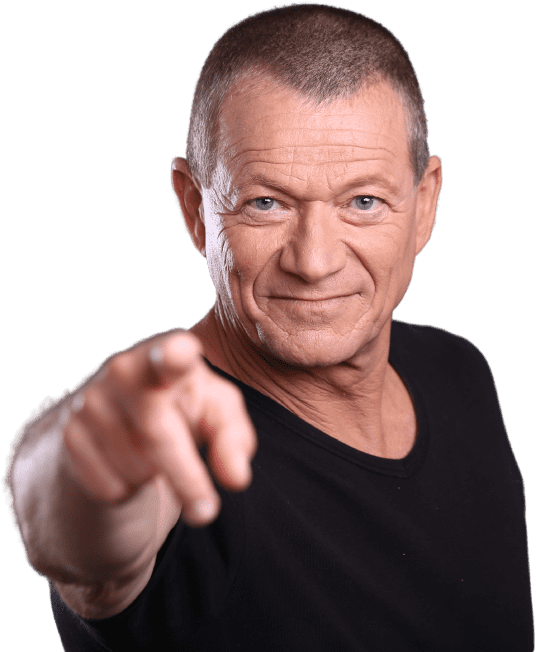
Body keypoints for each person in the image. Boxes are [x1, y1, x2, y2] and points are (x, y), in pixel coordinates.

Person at [3, 3, 534, 650]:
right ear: (195, 210)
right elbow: (77, 534)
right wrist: (72, 460)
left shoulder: (459, 371)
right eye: (266, 203)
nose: (314, 261)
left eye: (364, 201)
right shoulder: (170, 438)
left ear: (424, 204)